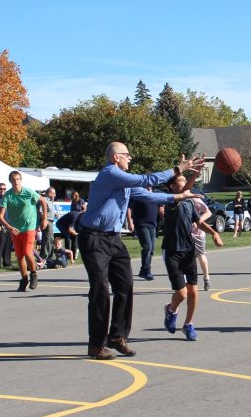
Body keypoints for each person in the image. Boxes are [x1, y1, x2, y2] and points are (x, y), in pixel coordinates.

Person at [78, 142, 203, 360]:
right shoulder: (110, 173)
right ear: (116, 157)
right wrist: (177, 169)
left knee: (125, 286)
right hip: (93, 238)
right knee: (100, 290)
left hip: (113, 239)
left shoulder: (123, 182)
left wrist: (177, 197)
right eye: (127, 155)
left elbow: (148, 195)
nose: (131, 158)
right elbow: (146, 180)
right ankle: (96, 345)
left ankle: (117, 337)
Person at [161, 173, 204, 341]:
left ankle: (188, 324)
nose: (185, 183)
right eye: (181, 180)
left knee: (193, 291)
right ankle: (171, 309)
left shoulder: (189, 202)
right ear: (172, 186)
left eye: (186, 180)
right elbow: (185, 191)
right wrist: (195, 173)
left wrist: (214, 233)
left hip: (189, 250)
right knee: (182, 293)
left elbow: (199, 222)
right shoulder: (171, 201)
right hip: (172, 251)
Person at [0, 171, 48, 292]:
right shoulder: (8, 195)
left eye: (18, 179)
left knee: (27, 252)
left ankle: (34, 274)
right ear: (10, 181)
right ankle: (24, 278)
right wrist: (9, 227)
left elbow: (43, 201)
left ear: (21, 180)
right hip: (15, 229)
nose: (16, 182)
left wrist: (44, 218)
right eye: (13, 179)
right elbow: (0, 215)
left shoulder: (28, 192)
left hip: (29, 227)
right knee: (19, 255)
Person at [128, 186, 161, 281]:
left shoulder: (154, 196)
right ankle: (146, 271)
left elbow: (160, 209)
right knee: (147, 246)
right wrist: (130, 222)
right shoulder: (137, 195)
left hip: (152, 225)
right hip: (141, 224)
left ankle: (144, 270)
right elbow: (129, 209)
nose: (149, 186)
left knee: (152, 249)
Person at [41, 187, 57, 258]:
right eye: (54, 193)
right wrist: (45, 220)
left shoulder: (50, 201)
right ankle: (46, 256)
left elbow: (48, 211)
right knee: (47, 239)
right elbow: (41, 212)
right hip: (47, 221)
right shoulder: (44, 200)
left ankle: (49, 255)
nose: (55, 195)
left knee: (50, 239)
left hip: (50, 221)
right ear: (50, 193)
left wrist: (55, 214)